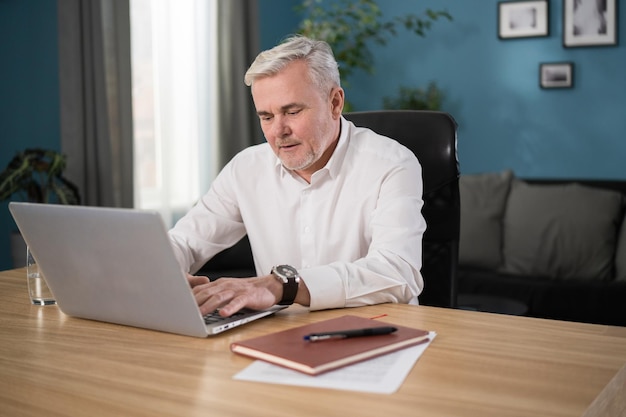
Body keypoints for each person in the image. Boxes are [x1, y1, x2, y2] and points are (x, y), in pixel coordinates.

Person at [168, 35, 426, 318]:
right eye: (266, 117)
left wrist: (282, 285)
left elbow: (398, 272)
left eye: (292, 111)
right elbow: (186, 241)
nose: (278, 131)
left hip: (377, 334)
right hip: (279, 335)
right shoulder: (245, 168)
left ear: (335, 103)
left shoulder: (392, 164)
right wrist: (163, 270)